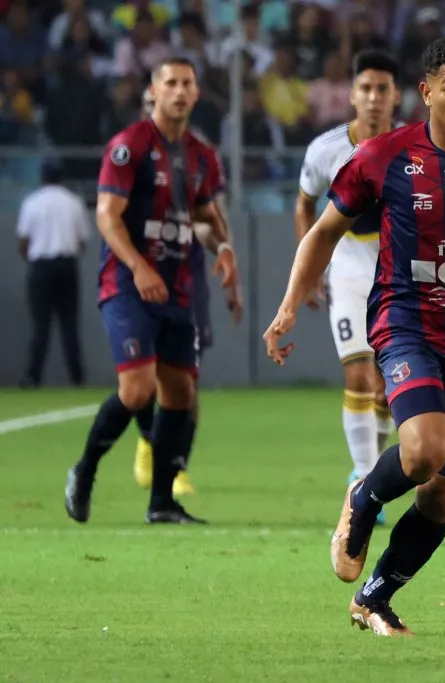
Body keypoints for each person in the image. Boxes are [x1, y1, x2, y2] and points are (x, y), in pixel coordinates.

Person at [263, 36, 445, 636]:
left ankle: (375, 598)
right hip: (407, 322)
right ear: (426, 93)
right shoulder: (383, 157)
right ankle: (363, 496)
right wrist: (288, 307)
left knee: (442, 496)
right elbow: (323, 231)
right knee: (423, 450)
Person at [64, 57, 238, 525]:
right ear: (154, 91)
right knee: (138, 389)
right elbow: (107, 216)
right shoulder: (130, 145)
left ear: (197, 93)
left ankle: (161, 502)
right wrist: (139, 267)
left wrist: (223, 248)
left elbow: (204, 217)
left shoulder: (201, 155)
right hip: (128, 283)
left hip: (177, 286)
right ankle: (85, 469)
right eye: (171, 83)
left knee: (180, 393)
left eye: (187, 84)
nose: (179, 91)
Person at [293, 49, 402, 527]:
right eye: (366, 88)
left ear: (397, 96)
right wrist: (310, 269)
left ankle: (369, 473)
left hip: (400, 275)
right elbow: (304, 205)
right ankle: (364, 482)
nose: (374, 97)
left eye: (382, 89)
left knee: (387, 389)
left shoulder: (415, 146)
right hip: (349, 270)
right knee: (359, 376)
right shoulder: (326, 150)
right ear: (352, 94)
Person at [130, 89, 244, 498]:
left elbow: (214, 214)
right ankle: (148, 441)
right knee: (142, 378)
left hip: (186, 277)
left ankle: (176, 466)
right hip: (141, 277)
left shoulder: (199, 154)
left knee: (186, 380)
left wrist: (231, 267)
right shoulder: (131, 153)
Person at [16, 161, 90, 388]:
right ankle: (77, 377)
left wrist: (32, 259)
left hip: (41, 266)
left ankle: (33, 376)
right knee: (69, 323)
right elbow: (81, 241)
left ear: (42, 177)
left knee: (40, 324)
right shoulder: (74, 202)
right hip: (66, 265)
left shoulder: (32, 202)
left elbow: (24, 241)